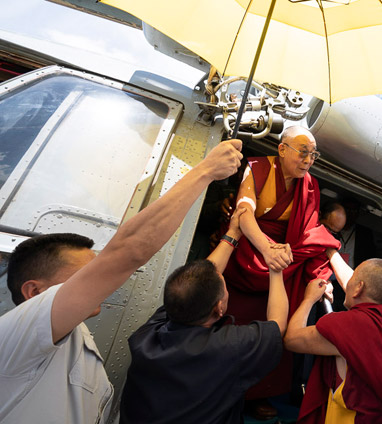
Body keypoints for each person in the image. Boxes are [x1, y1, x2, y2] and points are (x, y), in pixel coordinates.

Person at [0, 140, 243, 423]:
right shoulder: (20, 334)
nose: (98, 283)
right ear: (34, 291)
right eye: (82, 276)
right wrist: (206, 171)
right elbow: (128, 253)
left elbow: (199, 280)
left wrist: (231, 236)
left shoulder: (74, 333)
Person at [119, 208, 289, 424]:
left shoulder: (148, 335)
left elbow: (200, 277)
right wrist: (276, 267)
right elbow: (277, 324)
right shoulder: (230, 347)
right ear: (219, 309)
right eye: (225, 289)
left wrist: (232, 235)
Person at [222, 126, 340, 404]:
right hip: (248, 256)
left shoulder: (309, 185)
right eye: (303, 152)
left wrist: (321, 272)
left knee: (273, 328)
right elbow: (243, 212)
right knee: (232, 325)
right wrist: (267, 249)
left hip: (281, 266)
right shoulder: (259, 168)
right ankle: (223, 387)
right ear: (282, 148)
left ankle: (258, 394)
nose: (308, 160)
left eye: (313, 155)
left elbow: (309, 231)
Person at [284, 252, 382, 423]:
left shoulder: (349, 326)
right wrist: (330, 252)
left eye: (353, 280)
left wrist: (309, 299)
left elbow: (292, 339)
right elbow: (360, 290)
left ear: (358, 288)